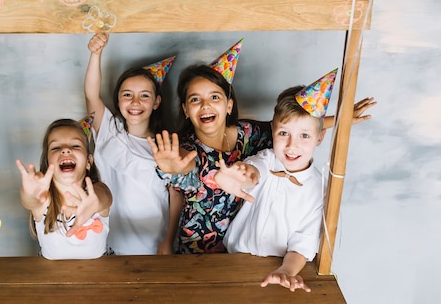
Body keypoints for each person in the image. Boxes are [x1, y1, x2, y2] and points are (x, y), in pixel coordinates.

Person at [149, 40, 376, 256]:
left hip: (243, 248)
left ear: (229, 105)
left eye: (214, 97)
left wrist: (340, 119)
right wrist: (174, 175)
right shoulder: (185, 149)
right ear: (186, 110)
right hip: (197, 251)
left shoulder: (248, 133)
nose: (206, 105)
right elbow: (178, 189)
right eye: (195, 99)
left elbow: (288, 126)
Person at [217, 70, 340, 293]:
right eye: (284, 133)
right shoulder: (266, 159)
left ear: (319, 138)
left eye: (304, 136)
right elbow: (253, 173)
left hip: (285, 267)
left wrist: (286, 271)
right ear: (273, 130)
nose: (292, 145)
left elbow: (304, 241)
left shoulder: (319, 188)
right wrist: (239, 174)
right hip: (238, 261)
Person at [84, 32, 184, 255]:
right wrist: (95, 53)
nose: (135, 102)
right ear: (118, 100)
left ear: (157, 102)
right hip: (110, 245)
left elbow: (176, 196)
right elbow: (92, 94)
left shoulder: (164, 146)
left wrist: (167, 242)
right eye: (127, 94)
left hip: (154, 244)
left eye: (145, 96)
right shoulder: (108, 131)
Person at [16, 117, 112, 304]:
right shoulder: (43, 201)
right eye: (56, 147)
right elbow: (29, 201)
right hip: (54, 289)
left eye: (76, 145)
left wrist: (94, 203)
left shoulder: (96, 192)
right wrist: (30, 194)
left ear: (88, 161)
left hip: (98, 284)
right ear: (47, 162)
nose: (66, 149)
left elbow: (104, 195)